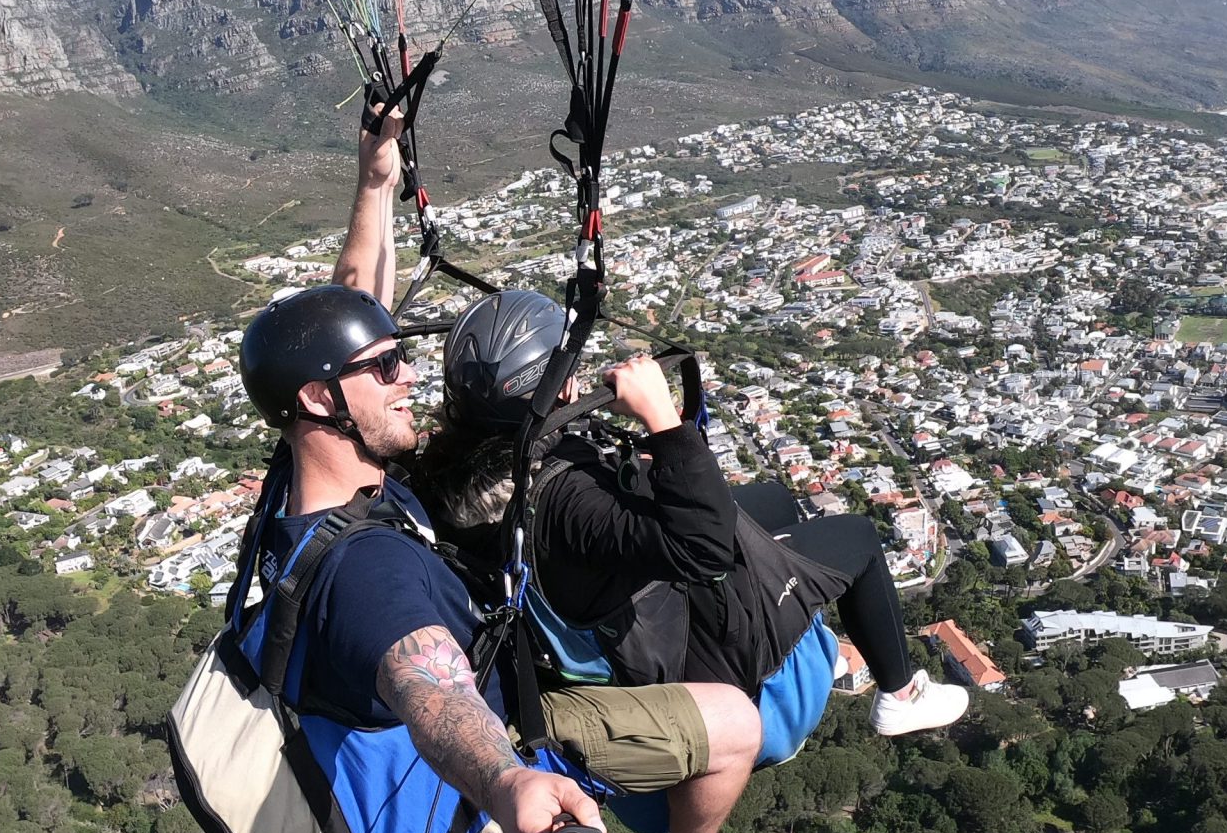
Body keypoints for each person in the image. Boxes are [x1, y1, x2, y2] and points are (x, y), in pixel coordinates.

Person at [231, 123, 773, 833]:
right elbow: (433, 689)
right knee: (735, 720)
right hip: (490, 742)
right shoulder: (367, 572)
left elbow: (349, 302)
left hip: (443, 693)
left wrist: (375, 182)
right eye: (386, 367)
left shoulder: (306, 473)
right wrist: (506, 777)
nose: (410, 376)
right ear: (324, 400)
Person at [404, 289, 969, 740]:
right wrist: (662, 421)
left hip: (607, 584)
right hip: (683, 642)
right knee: (859, 538)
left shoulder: (461, 468)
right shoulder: (563, 497)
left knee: (774, 498)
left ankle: (795, 565)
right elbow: (706, 549)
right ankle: (898, 696)